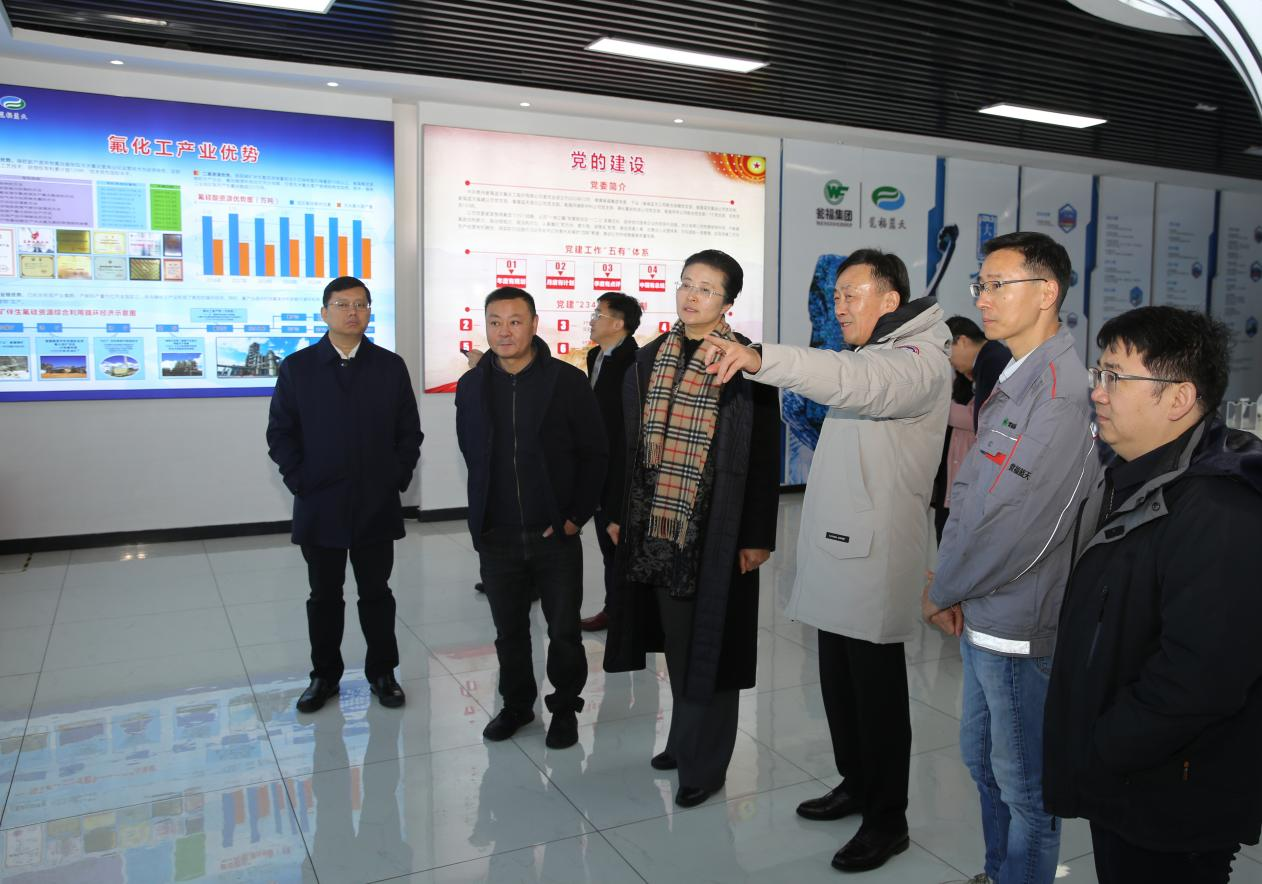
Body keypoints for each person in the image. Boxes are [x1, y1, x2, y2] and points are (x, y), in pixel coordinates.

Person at [701, 248, 951, 872]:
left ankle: (888, 819)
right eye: (836, 296)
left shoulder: (916, 361)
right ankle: (856, 784)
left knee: (876, 691)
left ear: (890, 300)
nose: (839, 307)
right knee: (840, 682)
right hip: (840, 546)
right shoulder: (876, 351)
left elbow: (853, 380)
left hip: (875, 556)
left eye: (851, 295)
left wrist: (760, 358)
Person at [1044, 306, 1262, 884]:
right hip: (1129, 781)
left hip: (1171, 794)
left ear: (1178, 398)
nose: (1098, 392)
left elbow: (1202, 677)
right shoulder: (1136, 477)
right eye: (1099, 373)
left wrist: (1105, 746)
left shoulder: (1220, 509)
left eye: (1116, 377)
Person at [924, 231, 1099, 884]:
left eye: (999, 285)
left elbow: (1020, 528)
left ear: (1047, 292)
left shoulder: (1059, 393)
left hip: (1020, 622)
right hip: (983, 608)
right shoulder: (1017, 373)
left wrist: (943, 586)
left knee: (1025, 785)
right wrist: (953, 582)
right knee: (982, 759)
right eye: (982, 284)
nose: (983, 298)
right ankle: (999, 873)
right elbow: (976, 493)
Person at [603, 249, 779, 810]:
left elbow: (764, 455)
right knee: (677, 641)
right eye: (686, 284)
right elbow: (628, 445)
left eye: (706, 288)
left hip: (717, 527)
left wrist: (757, 534)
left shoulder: (747, 363)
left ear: (728, 302)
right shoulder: (650, 357)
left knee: (712, 646)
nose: (691, 296)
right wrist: (618, 513)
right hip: (659, 527)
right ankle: (683, 741)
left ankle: (707, 765)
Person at [454, 286, 607, 750]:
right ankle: (517, 705)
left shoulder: (566, 381)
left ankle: (564, 708)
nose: (505, 331)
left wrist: (574, 516)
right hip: (496, 533)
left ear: (535, 324)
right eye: (495, 322)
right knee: (509, 632)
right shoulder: (472, 385)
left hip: (554, 533)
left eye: (515, 321)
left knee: (563, 631)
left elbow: (595, 453)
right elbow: (472, 451)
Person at [266, 275, 422, 713]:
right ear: (324, 313)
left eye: (361, 304)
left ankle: (383, 672)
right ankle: (324, 676)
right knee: (324, 596)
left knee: (377, 593)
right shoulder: (298, 367)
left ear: (370, 312)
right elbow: (280, 433)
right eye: (342, 304)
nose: (352, 312)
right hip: (320, 503)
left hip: (376, 501)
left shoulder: (389, 366)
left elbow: (409, 432)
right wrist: (301, 481)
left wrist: (395, 477)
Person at [579, 292, 642, 632]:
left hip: (622, 470)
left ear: (618, 324)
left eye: (598, 314)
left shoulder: (635, 363)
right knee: (608, 547)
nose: (592, 319)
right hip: (597, 468)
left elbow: (628, 433)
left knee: (622, 547)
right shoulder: (595, 356)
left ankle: (627, 615)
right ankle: (614, 609)